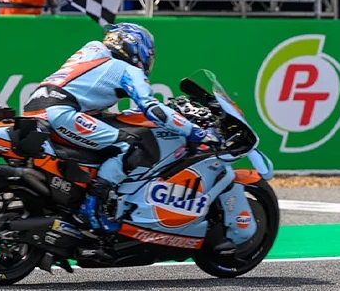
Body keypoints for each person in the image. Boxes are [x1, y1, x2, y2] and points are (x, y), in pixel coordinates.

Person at [21, 23, 223, 234]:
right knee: (128, 145)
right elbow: (153, 109)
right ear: (137, 48)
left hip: (37, 109)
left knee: (112, 131)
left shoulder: (92, 52)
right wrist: (196, 132)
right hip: (61, 113)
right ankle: (93, 208)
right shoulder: (127, 69)